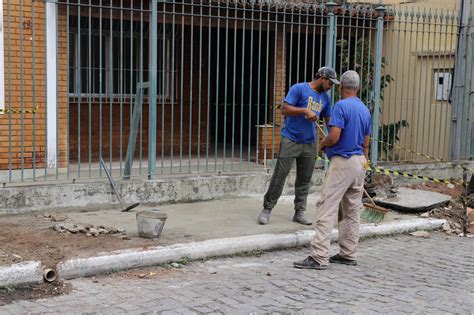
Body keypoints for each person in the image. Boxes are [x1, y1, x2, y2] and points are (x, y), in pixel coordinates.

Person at [293, 70, 371, 269]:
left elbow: (334, 135)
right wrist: (364, 160)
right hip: (360, 162)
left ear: (341, 87)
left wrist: (322, 144)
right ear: (358, 88)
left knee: (326, 207)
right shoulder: (364, 109)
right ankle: (348, 253)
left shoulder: (341, 106)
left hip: (343, 162)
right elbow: (366, 141)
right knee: (352, 210)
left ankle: (319, 256)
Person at [257, 67, 339, 225]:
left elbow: (329, 121)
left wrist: (332, 139)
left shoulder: (326, 99)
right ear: (322, 77)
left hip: (309, 142)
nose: (331, 86)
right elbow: (285, 110)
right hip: (290, 139)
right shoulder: (299, 89)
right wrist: (304, 111)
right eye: (330, 82)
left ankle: (299, 211)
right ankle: (267, 208)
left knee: (305, 179)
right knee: (280, 175)